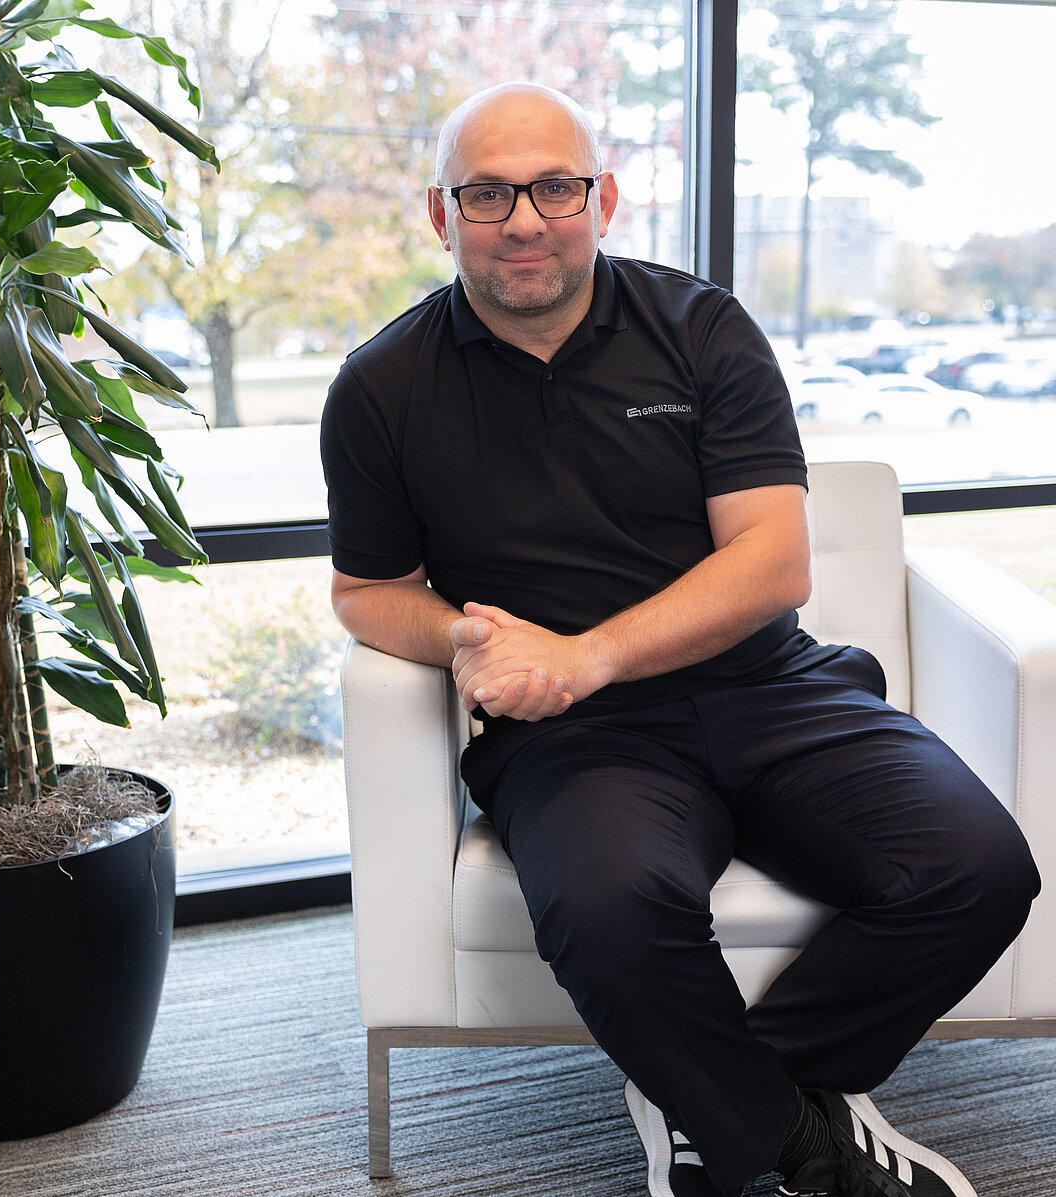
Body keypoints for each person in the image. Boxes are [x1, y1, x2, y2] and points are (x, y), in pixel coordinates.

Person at [319, 81, 1040, 1197]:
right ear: (439, 213)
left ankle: (701, 1096)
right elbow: (368, 593)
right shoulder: (380, 386)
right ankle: (800, 1143)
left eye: (555, 188)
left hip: (771, 688)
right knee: (607, 911)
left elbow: (774, 561)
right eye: (487, 193)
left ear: (603, 199)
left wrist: (588, 652)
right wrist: (470, 637)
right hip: (574, 735)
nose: (524, 219)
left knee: (977, 868)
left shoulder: (702, 329)